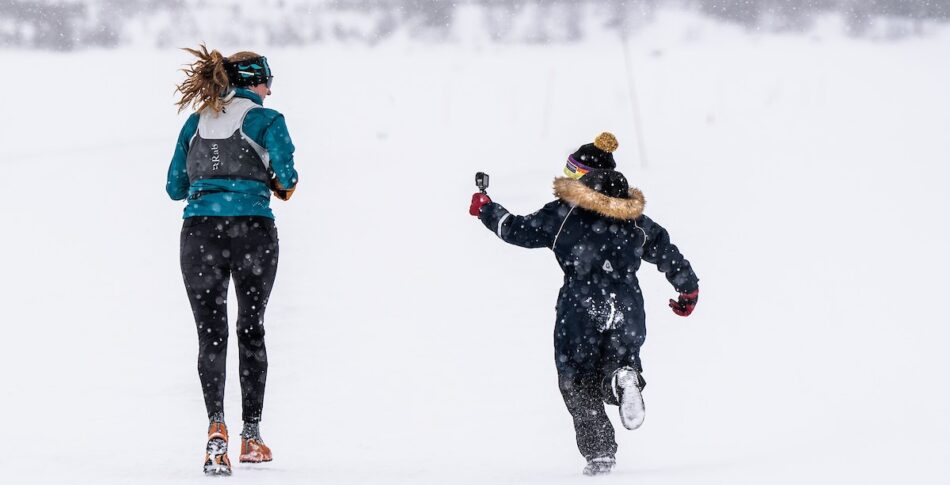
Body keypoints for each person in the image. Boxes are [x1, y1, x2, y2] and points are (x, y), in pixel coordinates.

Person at [469, 133, 699, 476]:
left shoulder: (564, 213)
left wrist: (486, 209)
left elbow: (517, 230)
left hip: (580, 304)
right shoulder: (633, 217)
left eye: (570, 170)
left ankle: (600, 455)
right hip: (626, 303)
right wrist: (688, 289)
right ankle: (624, 375)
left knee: (577, 379)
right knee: (617, 360)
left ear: (583, 175)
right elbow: (663, 247)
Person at [167, 44, 298, 476]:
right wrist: (268, 182)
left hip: (199, 232)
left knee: (211, 335)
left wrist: (214, 181)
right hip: (253, 232)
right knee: (250, 329)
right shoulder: (266, 120)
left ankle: (215, 430)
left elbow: (174, 187)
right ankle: (252, 436)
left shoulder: (194, 122)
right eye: (267, 81)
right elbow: (288, 178)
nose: (270, 91)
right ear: (255, 81)